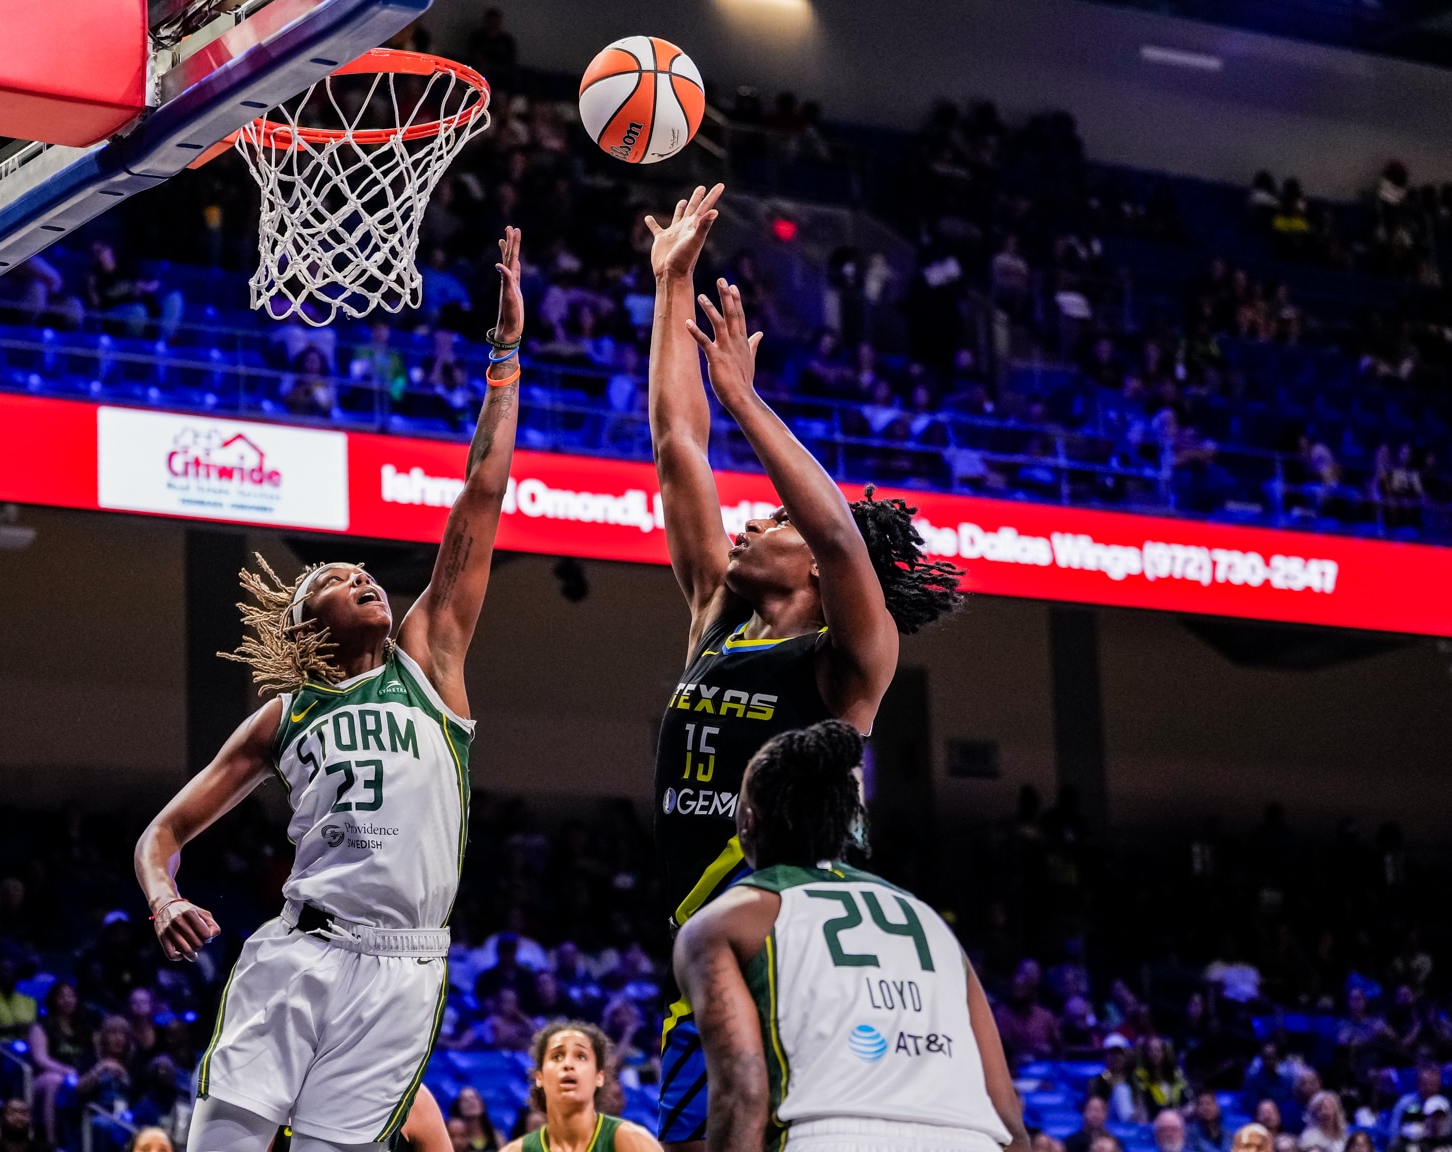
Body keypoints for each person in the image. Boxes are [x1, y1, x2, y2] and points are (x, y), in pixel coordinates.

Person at [133, 228, 528, 1152]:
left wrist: (504, 360)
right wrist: (162, 898)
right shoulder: (286, 714)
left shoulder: (429, 664)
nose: (364, 579)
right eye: (338, 580)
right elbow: (162, 835)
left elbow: (480, 495)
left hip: (408, 969)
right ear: (309, 626)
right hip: (302, 951)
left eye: (366, 573)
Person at [644, 185, 965, 1150]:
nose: (750, 520)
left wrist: (746, 398)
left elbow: (838, 534)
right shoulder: (716, 618)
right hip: (708, 951)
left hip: (808, 956)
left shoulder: (850, 660)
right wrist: (671, 285)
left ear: (821, 574)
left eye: (773, 520)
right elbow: (677, 445)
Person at [672, 721, 1030, 1152]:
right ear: (847, 822)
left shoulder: (722, 922)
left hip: (828, 1134)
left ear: (747, 822)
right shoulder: (927, 919)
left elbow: (742, 1095)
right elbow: (1007, 1116)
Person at [496, 1022, 659, 1152]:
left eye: (581, 1057)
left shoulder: (632, 1140)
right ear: (540, 1077)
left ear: (599, 1077)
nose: (568, 1064)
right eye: (557, 1057)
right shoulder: (518, 1149)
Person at [26, 982, 92, 1148]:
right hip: (43, 1079)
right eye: (62, 996)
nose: (67, 1000)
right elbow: (40, 1059)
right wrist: (66, 1071)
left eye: (71, 996)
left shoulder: (84, 1028)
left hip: (80, 1077)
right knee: (54, 1080)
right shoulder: (41, 1026)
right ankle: (51, 1141)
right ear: (53, 1000)